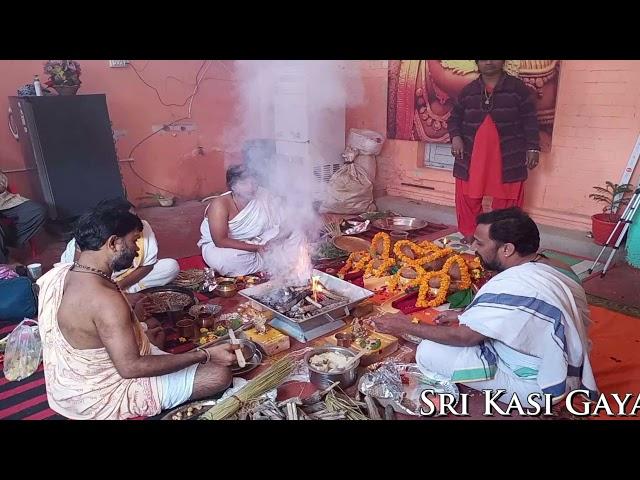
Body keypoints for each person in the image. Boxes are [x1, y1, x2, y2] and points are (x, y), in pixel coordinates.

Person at [374, 208, 597, 405]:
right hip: (562, 359)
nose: (473, 247)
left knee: (429, 351)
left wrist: (403, 325)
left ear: (507, 249)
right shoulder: (557, 266)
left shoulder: (514, 285)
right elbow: (523, 316)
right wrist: (464, 315)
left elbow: (465, 338)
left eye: (480, 243)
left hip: (539, 384)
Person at [38, 206, 238, 420]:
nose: (136, 250)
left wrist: (131, 311)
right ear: (113, 243)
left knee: (150, 331)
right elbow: (130, 368)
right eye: (134, 240)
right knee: (219, 374)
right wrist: (205, 354)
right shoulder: (106, 302)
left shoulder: (57, 275)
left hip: (66, 389)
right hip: (101, 397)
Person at [448, 60, 541, 244]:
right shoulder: (469, 90)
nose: (489, 61)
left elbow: (530, 120)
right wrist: (455, 137)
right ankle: (470, 232)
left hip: (507, 155)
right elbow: (454, 118)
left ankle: (501, 237)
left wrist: (533, 147)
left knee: (507, 197)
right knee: (468, 196)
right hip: (472, 156)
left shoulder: (518, 89)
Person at [60, 198, 179, 293]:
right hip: (92, 282)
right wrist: (108, 291)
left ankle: (122, 290)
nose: (137, 220)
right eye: (130, 218)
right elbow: (78, 276)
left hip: (123, 279)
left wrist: (118, 287)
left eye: (136, 216)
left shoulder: (142, 226)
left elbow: (148, 266)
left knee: (170, 267)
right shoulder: (87, 239)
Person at [198, 165, 282, 276]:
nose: (251, 188)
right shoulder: (220, 205)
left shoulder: (263, 195)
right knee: (227, 261)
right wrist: (258, 248)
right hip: (226, 247)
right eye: (244, 183)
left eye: (254, 183)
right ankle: (273, 261)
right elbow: (220, 241)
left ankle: (267, 260)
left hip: (258, 239)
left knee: (296, 235)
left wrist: (272, 242)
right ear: (232, 186)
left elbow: (280, 223)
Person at [0, 170, 47, 264]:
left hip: (3, 200)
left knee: (37, 211)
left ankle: (9, 241)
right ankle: (3, 264)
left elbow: (2, 182)